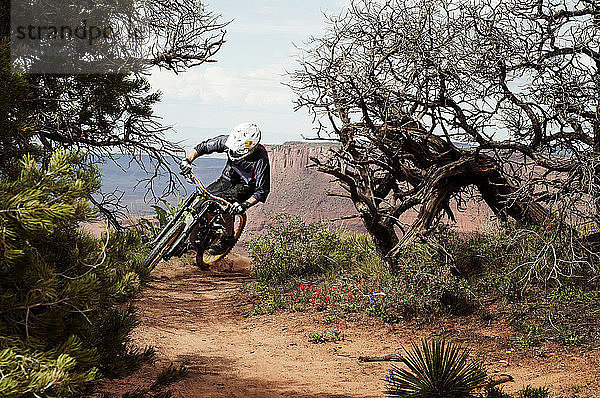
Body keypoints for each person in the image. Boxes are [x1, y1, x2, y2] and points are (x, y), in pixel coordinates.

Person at [179, 122, 270, 255]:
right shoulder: (229, 141)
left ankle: (227, 238)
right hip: (227, 179)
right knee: (202, 200)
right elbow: (203, 147)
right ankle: (191, 235)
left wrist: (244, 205)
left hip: (245, 186)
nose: (235, 152)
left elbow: (262, 190)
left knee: (224, 204)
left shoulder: (261, 158)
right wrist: (187, 160)